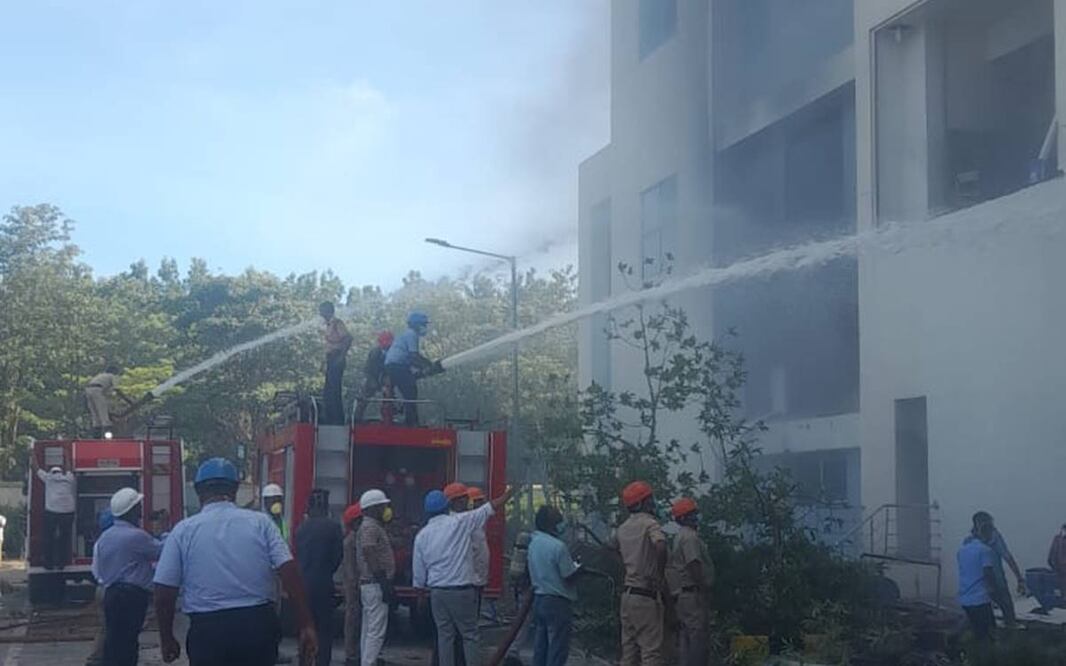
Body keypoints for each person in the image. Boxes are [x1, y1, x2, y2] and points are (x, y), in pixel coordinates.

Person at [153, 457, 318, 666]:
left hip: (208, 633)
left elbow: (163, 592)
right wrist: (306, 623)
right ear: (235, 490)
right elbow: (288, 569)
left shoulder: (183, 531)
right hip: (257, 628)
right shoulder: (261, 523)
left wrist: (166, 638)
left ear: (199, 492)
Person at [413, 485, 516, 666]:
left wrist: (420, 596)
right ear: (447, 506)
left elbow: (419, 571)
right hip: (461, 590)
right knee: (470, 636)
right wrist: (509, 493)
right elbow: (491, 507)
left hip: (437, 592)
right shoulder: (461, 522)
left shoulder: (422, 535)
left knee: (445, 636)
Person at [92, 487, 163, 666]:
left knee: (114, 639)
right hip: (131, 596)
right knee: (128, 643)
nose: (141, 509)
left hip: (111, 593)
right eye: (138, 506)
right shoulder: (135, 536)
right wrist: (169, 533)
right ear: (131, 511)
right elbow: (160, 551)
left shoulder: (105, 538)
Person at [608, 481, 668, 666]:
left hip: (627, 596)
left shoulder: (622, 528)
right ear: (643, 502)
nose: (654, 502)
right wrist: (658, 572)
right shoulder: (650, 523)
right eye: (650, 499)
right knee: (650, 652)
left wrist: (626, 566)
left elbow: (610, 549)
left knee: (629, 652)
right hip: (646, 595)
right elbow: (660, 545)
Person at [528, 505, 583, 666]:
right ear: (550, 524)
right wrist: (580, 569)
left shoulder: (534, 542)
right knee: (558, 648)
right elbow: (568, 576)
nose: (562, 524)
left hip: (539, 599)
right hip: (558, 602)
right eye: (559, 520)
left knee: (541, 646)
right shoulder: (558, 546)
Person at [296, 488, 344, 666]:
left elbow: (299, 554)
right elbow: (337, 557)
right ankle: (322, 662)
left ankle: (304, 660)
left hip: (303, 584)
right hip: (324, 584)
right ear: (326, 506)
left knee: (305, 625)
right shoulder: (333, 527)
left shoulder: (301, 528)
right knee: (324, 629)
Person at [667, 498, 712, 666]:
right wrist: (703, 587)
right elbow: (693, 564)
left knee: (686, 639)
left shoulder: (680, 536)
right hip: (693, 594)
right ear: (685, 518)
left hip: (683, 594)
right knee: (697, 640)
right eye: (692, 514)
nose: (696, 517)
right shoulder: (690, 537)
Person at [384, 311, 443, 426]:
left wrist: (426, 366)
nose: (425, 327)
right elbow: (414, 356)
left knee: (409, 390)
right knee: (410, 392)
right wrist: (429, 365)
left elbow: (412, 359)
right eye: (423, 324)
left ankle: (409, 419)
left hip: (395, 366)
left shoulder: (407, 334)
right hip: (397, 366)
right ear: (416, 324)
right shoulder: (412, 335)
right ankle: (411, 422)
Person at [357, 488, 395, 666]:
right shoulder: (370, 527)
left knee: (369, 628)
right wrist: (383, 581)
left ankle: (366, 661)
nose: (386, 510)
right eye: (382, 506)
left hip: (371, 584)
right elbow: (369, 550)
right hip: (375, 584)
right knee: (376, 630)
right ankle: (369, 662)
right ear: (373, 508)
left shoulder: (372, 526)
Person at [972, 511, 1026, 625]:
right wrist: (1019, 578)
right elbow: (1008, 557)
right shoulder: (974, 541)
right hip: (987, 582)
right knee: (1004, 610)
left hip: (989, 581)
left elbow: (1007, 557)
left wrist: (1019, 578)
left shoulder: (992, 537)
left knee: (1004, 611)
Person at [957, 520, 1001, 642]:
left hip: (965, 597)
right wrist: (995, 592)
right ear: (987, 534)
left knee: (975, 630)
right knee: (988, 633)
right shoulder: (985, 550)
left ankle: (956, 645)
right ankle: (984, 657)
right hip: (980, 599)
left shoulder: (962, 550)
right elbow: (988, 573)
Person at [32, 456, 76, 570]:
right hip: (68, 511)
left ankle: (49, 563)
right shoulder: (69, 478)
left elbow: (36, 468)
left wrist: (32, 454)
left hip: (52, 511)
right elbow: (69, 468)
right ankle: (62, 563)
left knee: (48, 537)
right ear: (61, 472)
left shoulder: (48, 478)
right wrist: (66, 455)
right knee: (64, 538)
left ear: (52, 472)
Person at [86, 508, 115, 666]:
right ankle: (96, 659)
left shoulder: (100, 543)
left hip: (101, 587)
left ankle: (99, 658)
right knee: (109, 627)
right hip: (110, 589)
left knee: (105, 626)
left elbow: (95, 570)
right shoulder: (111, 541)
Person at [320, 301, 353, 425]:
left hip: (336, 358)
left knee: (334, 389)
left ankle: (337, 419)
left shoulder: (337, 323)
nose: (320, 313)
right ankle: (329, 418)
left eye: (322, 310)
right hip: (331, 359)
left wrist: (341, 356)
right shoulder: (328, 325)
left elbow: (348, 338)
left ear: (328, 310)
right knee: (328, 390)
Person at [354, 331, 394, 423]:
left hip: (384, 376)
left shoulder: (392, 352)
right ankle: (356, 418)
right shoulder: (375, 352)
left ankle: (387, 418)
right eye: (387, 341)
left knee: (388, 395)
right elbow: (370, 368)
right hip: (371, 376)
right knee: (364, 396)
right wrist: (374, 381)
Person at [84, 364, 133, 438]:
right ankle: (108, 436)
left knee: (95, 416)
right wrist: (128, 400)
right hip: (97, 390)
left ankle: (96, 438)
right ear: (115, 371)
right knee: (104, 415)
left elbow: (108, 394)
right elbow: (117, 390)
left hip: (88, 390)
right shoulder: (112, 376)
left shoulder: (101, 375)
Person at [342, 503, 363, 666]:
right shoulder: (350, 541)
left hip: (354, 585)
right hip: (353, 587)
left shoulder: (355, 538)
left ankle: (355, 652)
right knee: (353, 620)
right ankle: (351, 654)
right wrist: (356, 585)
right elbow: (350, 568)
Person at [466, 488, 490, 601]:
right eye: (478, 501)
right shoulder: (468, 524)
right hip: (471, 580)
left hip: (479, 578)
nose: (481, 504)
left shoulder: (478, 524)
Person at [1049, 524, 1066, 600]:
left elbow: (1050, 558)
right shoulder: (1057, 539)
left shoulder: (1057, 539)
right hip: (1060, 570)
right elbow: (1051, 558)